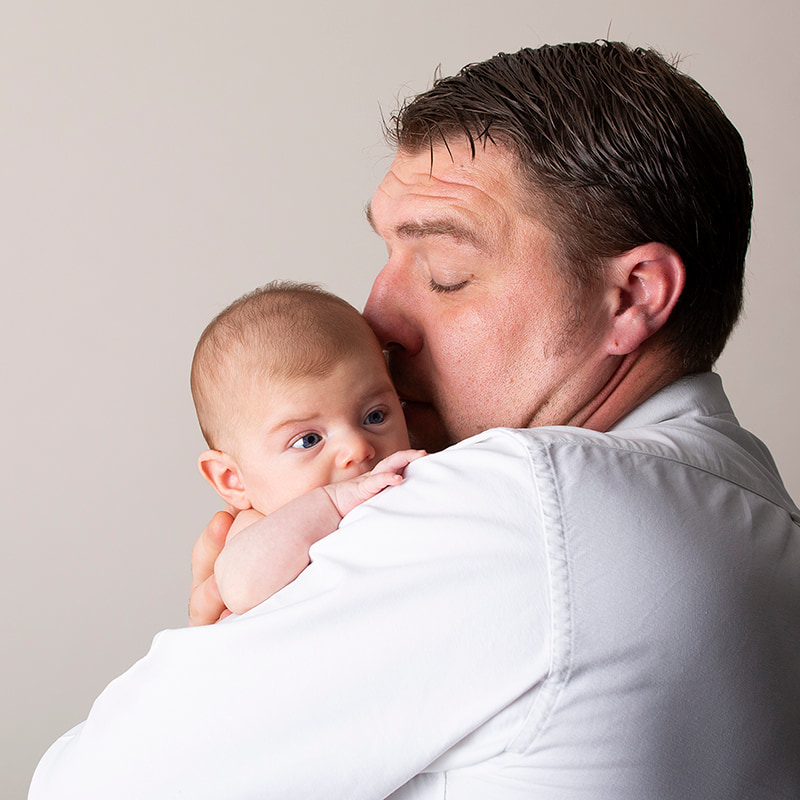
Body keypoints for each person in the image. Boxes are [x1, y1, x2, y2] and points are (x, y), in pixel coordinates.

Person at [30, 41, 800, 799]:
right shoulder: (764, 522)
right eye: (387, 256)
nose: (376, 317)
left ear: (632, 296)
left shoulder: (522, 499)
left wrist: (232, 640)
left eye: (444, 273)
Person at [189, 281, 423, 615]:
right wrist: (333, 501)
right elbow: (241, 588)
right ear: (232, 480)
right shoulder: (257, 526)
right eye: (308, 440)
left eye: (374, 416)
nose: (357, 448)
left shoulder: (409, 478)